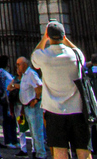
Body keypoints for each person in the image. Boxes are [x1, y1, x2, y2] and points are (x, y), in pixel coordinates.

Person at [31, 20, 92, 159]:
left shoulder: (43, 56)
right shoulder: (76, 55)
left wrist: (44, 38)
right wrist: (65, 40)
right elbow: (78, 51)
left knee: (59, 151)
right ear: (64, 36)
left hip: (54, 111)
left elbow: (35, 54)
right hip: (78, 109)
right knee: (83, 150)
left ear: (48, 36)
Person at [16, 56, 46, 159]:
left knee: (37, 132)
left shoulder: (31, 74)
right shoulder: (24, 75)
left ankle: (41, 155)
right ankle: (38, 153)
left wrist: (36, 99)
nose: (17, 66)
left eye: (18, 64)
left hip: (34, 107)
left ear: (24, 65)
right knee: (33, 133)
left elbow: (39, 86)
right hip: (27, 107)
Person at [0, 55, 19, 149]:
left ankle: (14, 139)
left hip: (12, 99)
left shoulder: (6, 72)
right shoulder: (1, 72)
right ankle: (8, 140)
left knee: (13, 120)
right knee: (8, 120)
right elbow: (1, 85)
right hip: (6, 99)